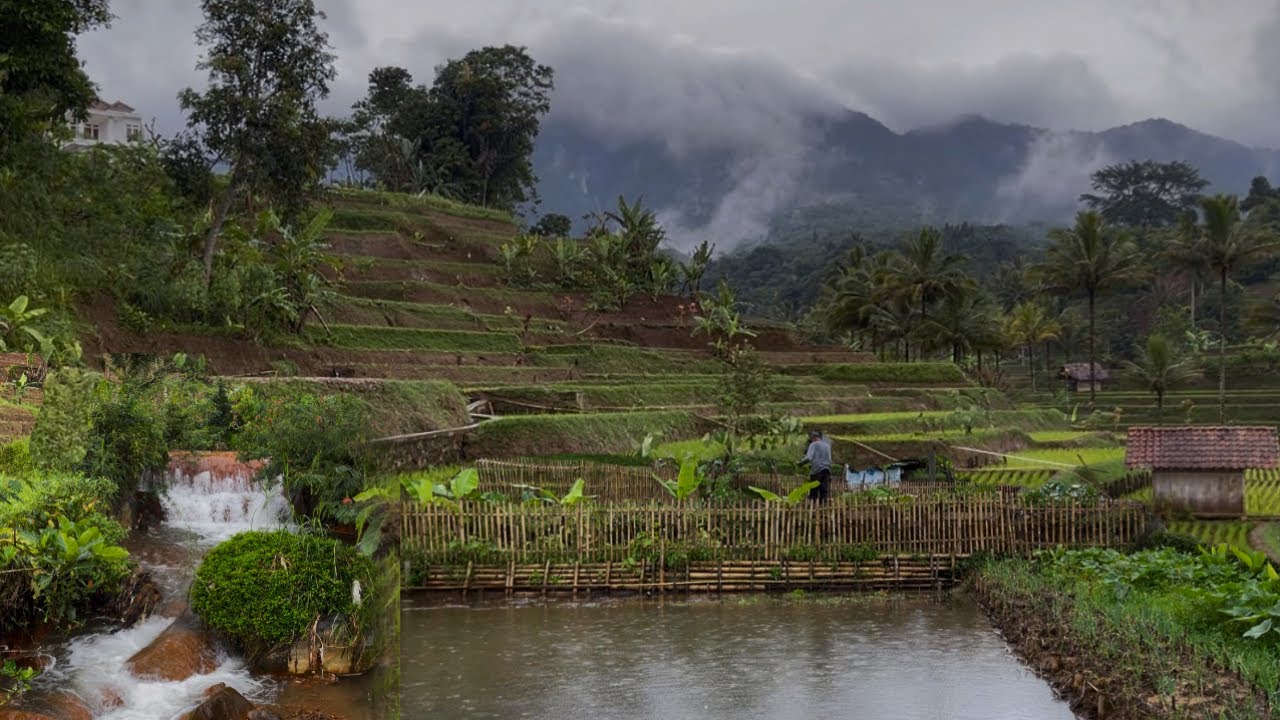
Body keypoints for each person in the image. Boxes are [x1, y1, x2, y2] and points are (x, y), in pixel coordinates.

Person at [799, 430, 832, 503]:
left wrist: (800, 463)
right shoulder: (827, 446)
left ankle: (812, 506)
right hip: (827, 470)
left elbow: (808, 458)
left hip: (817, 470)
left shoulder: (813, 444)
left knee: (814, 490)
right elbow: (829, 459)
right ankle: (823, 506)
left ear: (814, 437)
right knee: (824, 490)